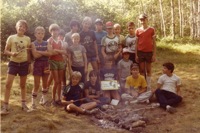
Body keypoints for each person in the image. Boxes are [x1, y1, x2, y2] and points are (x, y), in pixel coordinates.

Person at [1, 20, 31, 115]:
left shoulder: (27, 39)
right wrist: (12, 53)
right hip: (13, 63)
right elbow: (5, 51)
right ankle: (5, 107)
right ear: (16, 27)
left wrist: (29, 64)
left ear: (25, 29)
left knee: (23, 85)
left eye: (24, 27)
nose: (21, 28)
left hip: (24, 64)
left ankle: (24, 105)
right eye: (20, 26)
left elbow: (29, 52)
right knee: (8, 84)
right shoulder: (11, 38)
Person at [30, 26, 52, 109]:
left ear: (44, 35)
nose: (40, 35)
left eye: (42, 33)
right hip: (37, 64)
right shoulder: (33, 43)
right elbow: (35, 56)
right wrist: (44, 52)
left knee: (45, 83)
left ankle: (44, 100)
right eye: (38, 33)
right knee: (36, 84)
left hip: (46, 64)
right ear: (35, 34)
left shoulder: (46, 43)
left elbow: (50, 53)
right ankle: (33, 103)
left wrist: (39, 51)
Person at [135, 13, 156, 90]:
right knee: (142, 70)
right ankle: (143, 86)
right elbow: (136, 43)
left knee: (148, 70)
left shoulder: (151, 29)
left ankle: (149, 86)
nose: (142, 21)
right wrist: (136, 55)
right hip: (140, 52)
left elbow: (154, 43)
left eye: (143, 19)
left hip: (149, 52)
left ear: (147, 19)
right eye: (141, 20)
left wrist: (154, 54)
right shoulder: (137, 30)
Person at [48, 23, 66, 106]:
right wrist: (59, 51)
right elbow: (51, 52)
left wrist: (57, 51)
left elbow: (64, 52)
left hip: (61, 61)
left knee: (60, 81)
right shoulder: (49, 41)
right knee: (56, 81)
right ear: (50, 32)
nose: (55, 32)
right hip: (53, 61)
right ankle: (53, 99)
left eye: (56, 30)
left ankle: (59, 98)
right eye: (53, 30)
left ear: (58, 31)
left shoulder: (60, 41)